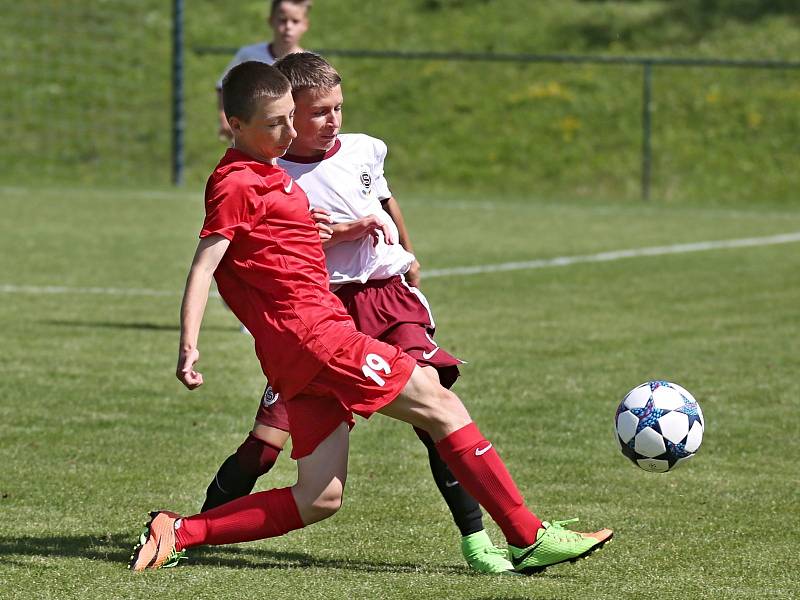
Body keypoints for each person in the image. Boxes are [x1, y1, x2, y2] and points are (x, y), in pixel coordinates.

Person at [129, 61, 612, 575]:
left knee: (320, 498)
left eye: (294, 118)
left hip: (297, 356)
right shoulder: (234, 183)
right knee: (441, 405)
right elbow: (206, 264)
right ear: (235, 124)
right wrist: (188, 345)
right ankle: (526, 536)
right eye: (276, 123)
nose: (290, 132)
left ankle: (178, 530)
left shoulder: (268, 173)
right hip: (320, 339)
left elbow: (270, 249)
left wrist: (309, 231)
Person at [200, 52, 510, 573]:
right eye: (317, 112)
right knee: (265, 445)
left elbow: (385, 202)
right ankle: (200, 528)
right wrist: (335, 233)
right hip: (321, 317)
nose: (333, 121)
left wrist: (409, 256)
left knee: (435, 404)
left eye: (337, 108)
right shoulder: (273, 178)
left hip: (385, 299)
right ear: (285, 115)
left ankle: (478, 540)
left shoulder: (365, 149)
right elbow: (274, 256)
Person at [216, 0, 311, 142]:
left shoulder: (308, 64)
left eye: (295, 21)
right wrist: (224, 116)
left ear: (305, 25)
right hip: (252, 140)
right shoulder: (248, 55)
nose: (288, 27)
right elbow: (223, 86)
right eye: (282, 20)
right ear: (271, 20)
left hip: (290, 143)